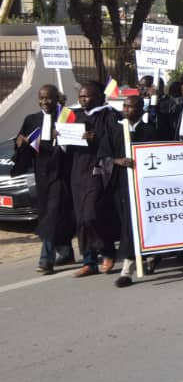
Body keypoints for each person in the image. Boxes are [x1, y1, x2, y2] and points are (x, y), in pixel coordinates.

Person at [12, 85, 75, 274]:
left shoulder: (67, 117)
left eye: (48, 98)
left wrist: (63, 139)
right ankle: (65, 251)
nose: (44, 102)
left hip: (61, 173)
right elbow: (24, 145)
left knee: (51, 215)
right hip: (41, 175)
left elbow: (76, 146)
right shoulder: (31, 119)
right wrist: (20, 143)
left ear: (57, 98)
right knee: (50, 213)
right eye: (41, 98)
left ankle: (46, 259)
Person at [98, 95, 158, 287]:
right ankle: (131, 265)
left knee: (143, 224)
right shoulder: (114, 129)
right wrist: (117, 161)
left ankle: (143, 259)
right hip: (121, 186)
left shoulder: (150, 130)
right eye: (124, 106)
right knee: (128, 226)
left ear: (140, 109)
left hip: (145, 187)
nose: (126, 109)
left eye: (130, 107)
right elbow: (102, 156)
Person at [68, 82, 117, 277]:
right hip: (77, 171)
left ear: (98, 97)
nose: (83, 100)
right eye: (81, 97)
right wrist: (60, 137)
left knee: (92, 214)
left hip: (97, 171)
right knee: (80, 218)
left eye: (86, 96)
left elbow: (114, 140)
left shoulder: (109, 116)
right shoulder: (75, 117)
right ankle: (89, 261)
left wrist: (96, 139)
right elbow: (64, 147)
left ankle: (107, 251)